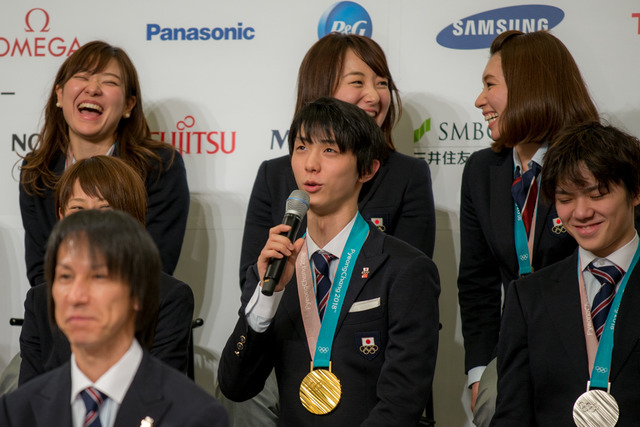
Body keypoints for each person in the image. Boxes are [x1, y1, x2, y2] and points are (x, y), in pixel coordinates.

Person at [219, 98, 440, 426]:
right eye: (301, 147)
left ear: (366, 170)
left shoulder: (405, 270)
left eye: (330, 151)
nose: (310, 164)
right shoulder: (275, 267)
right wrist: (266, 300)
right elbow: (235, 386)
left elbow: (402, 400)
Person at [456, 30, 599, 425]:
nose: (479, 101)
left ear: (529, 86)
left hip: (591, 346)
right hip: (514, 349)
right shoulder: (482, 173)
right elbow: (477, 283)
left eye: (489, 85)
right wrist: (479, 371)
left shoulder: (593, 164)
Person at [239, 33, 436, 292]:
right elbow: (251, 282)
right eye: (357, 82)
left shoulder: (408, 174)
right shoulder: (273, 174)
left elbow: (412, 280)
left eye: (381, 83)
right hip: (288, 329)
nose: (374, 97)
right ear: (320, 88)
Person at [0, 210, 227, 426]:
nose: (77, 295)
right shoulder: (18, 410)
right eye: (65, 276)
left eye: (99, 276)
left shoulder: (195, 415)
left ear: (138, 292)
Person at [492, 122, 640, 425]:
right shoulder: (529, 297)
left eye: (597, 194)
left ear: (635, 192)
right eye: (566, 198)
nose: (581, 212)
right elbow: (512, 414)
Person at [19, 40, 189, 287]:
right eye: (82, 77)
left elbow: (155, 265)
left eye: (109, 81)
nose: (93, 89)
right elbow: (40, 273)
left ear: (129, 105)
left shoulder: (159, 167)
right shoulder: (36, 171)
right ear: (59, 95)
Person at [19, 156, 194, 385]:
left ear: (133, 219)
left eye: (105, 210)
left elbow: (161, 392)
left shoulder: (168, 297)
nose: (90, 223)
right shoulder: (40, 299)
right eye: (78, 209)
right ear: (61, 217)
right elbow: (29, 399)